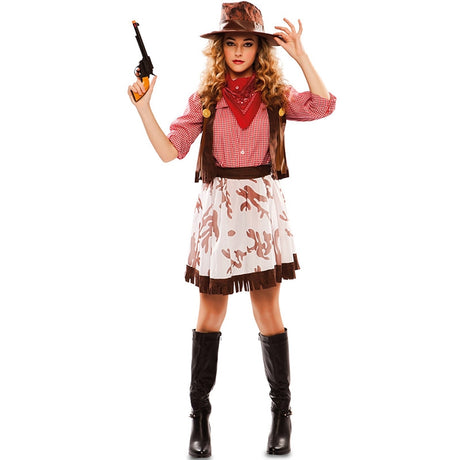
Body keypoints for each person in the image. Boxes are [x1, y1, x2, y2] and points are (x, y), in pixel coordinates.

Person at [128, 1, 336, 457]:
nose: (238, 51)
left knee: (268, 313)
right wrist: (145, 109)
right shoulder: (205, 99)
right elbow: (170, 151)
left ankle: (282, 416)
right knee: (209, 314)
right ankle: (199, 419)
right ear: (219, 49)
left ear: (259, 50)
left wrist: (301, 56)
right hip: (219, 214)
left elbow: (323, 106)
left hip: (261, 210)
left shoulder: (275, 94)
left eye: (247, 43)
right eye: (230, 43)